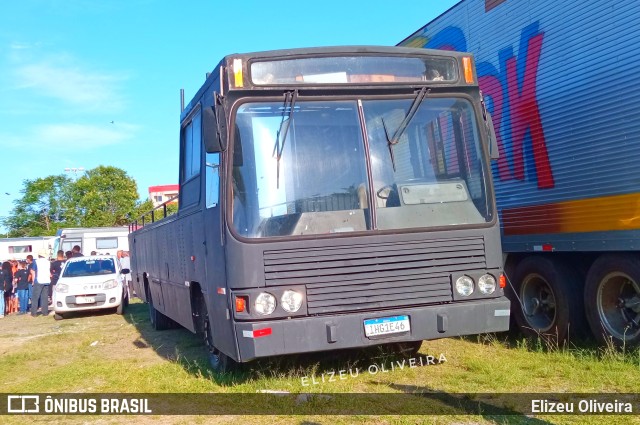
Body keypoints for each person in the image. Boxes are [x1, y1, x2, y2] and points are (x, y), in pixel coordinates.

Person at [30, 250, 51, 317]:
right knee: (44, 297)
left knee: (35, 297)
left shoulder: (36, 261)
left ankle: (34, 313)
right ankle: (45, 312)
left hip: (38, 280)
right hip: (46, 280)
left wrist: (33, 281)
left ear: (39, 255)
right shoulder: (48, 262)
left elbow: (33, 271)